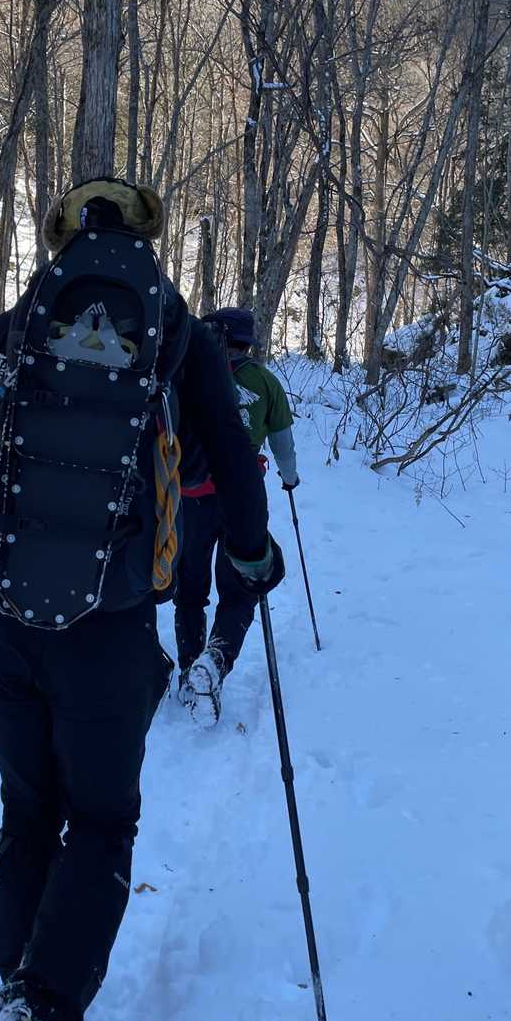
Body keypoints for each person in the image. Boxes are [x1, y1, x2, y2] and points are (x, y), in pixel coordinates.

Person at [0, 178, 284, 1021]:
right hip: (108, 627)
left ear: (63, 240)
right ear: (148, 246)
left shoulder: (17, 328)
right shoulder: (179, 337)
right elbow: (234, 461)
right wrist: (250, 557)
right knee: (103, 820)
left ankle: (17, 1002)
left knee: (29, 810)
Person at [174, 306, 299, 726]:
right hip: (241, 499)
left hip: (189, 496)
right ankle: (216, 659)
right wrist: (289, 478)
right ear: (248, 343)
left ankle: (188, 669)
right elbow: (283, 442)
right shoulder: (265, 382)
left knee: (190, 590)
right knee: (241, 588)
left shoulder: (186, 373)